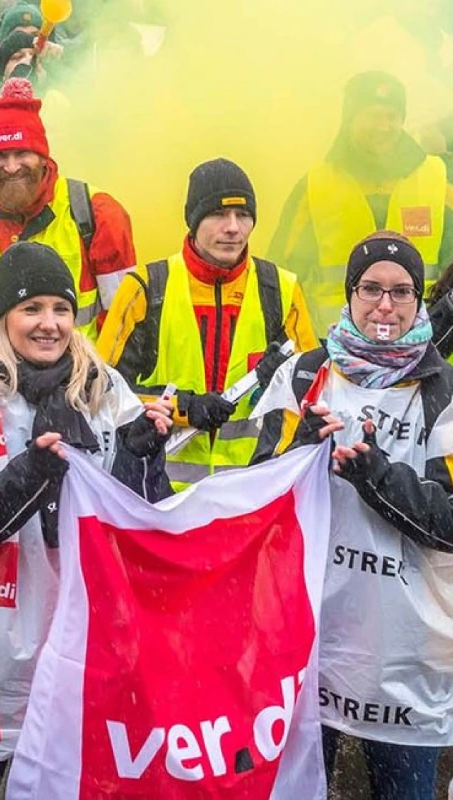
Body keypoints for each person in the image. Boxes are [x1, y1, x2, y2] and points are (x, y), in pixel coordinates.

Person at [0, 242, 171, 799]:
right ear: (3, 317)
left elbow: (133, 518)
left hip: (72, 652)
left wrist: (139, 450)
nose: (49, 324)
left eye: (61, 309)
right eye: (32, 308)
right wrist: (35, 470)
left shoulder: (104, 388)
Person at [251, 231, 453, 800]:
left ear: (418, 302)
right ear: (349, 295)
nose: (384, 306)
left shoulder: (443, 392)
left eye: (401, 292)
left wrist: (375, 477)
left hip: (406, 659)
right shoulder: (302, 375)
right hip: (309, 642)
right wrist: (299, 452)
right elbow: (256, 494)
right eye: (370, 289)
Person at [97, 158, 317, 492]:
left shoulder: (282, 290)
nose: (233, 228)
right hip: (160, 496)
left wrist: (275, 463)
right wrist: (185, 408)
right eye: (217, 214)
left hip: (252, 497)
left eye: (243, 215)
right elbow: (100, 394)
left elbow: (312, 397)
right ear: (192, 221)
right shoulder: (145, 288)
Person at [0, 78, 136, 338]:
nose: (11, 167)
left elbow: (123, 323)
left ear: (43, 157)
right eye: (0, 156)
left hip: (76, 376)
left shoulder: (98, 213)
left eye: (22, 153)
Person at [269, 71, 453, 328]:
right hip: (335, 349)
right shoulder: (315, 185)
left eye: (392, 117)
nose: (384, 126)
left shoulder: (438, 178)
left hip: (421, 348)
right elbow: (279, 274)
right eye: (374, 116)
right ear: (349, 119)